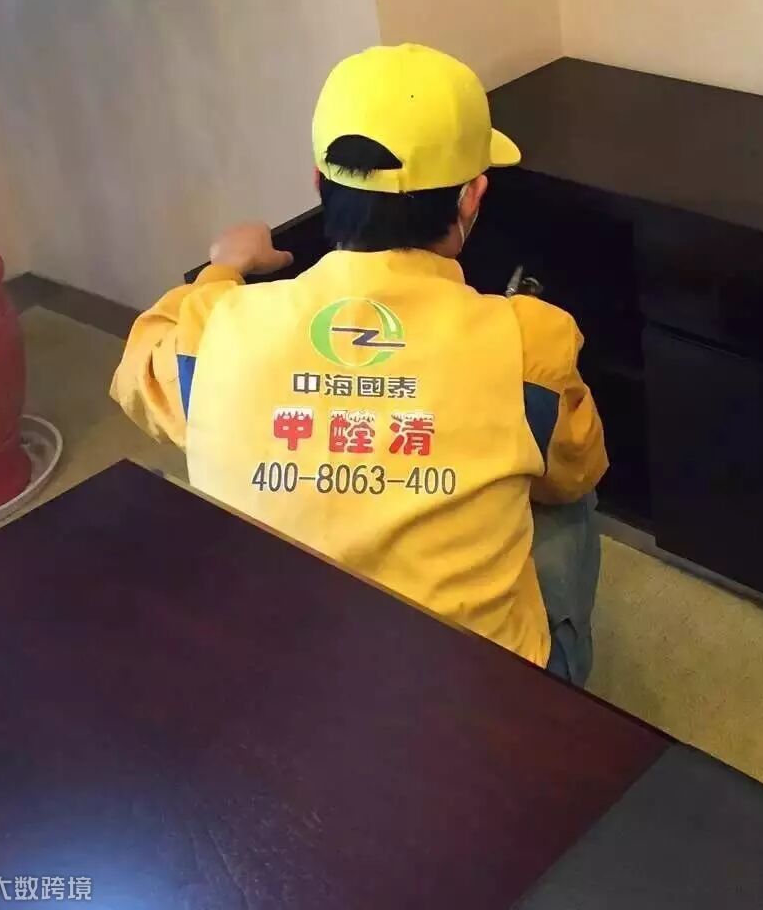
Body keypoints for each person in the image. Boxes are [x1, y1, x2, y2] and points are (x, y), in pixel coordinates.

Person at [111, 44, 606, 683]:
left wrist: (222, 269)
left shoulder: (213, 334)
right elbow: (576, 470)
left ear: (320, 184)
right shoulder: (526, 342)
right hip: (485, 707)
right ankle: (563, 704)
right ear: (471, 197)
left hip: (265, 690)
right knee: (566, 490)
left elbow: (136, 370)